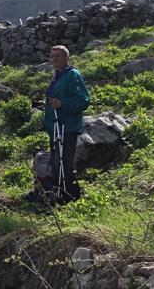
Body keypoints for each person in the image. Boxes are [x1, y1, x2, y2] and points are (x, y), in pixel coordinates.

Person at [42, 45, 90, 203]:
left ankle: (72, 196)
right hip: (55, 126)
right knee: (57, 161)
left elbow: (83, 100)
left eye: (58, 56)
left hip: (67, 126)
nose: (54, 59)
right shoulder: (57, 75)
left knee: (65, 161)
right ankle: (59, 192)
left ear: (66, 58)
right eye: (52, 56)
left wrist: (62, 103)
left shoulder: (73, 75)